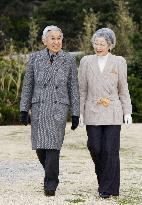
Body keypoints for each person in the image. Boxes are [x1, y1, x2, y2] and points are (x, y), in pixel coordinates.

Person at [20, 25, 80, 196]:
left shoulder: (68, 59)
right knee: (40, 148)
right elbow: (28, 85)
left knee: (53, 146)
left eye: (59, 38)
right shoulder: (34, 58)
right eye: (52, 38)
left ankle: (50, 184)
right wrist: (24, 109)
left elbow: (73, 87)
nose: (56, 41)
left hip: (58, 108)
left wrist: (75, 113)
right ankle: (51, 172)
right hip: (39, 107)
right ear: (44, 40)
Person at [79, 28, 132, 199]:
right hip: (92, 109)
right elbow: (82, 90)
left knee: (110, 150)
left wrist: (127, 112)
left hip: (113, 110)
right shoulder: (86, 61)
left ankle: (106, 188)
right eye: (96, 43)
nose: (98, 46)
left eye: (102, 44)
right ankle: (108, 183)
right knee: (94, 146)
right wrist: (79, 113)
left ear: (110, 45)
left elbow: (123, 89)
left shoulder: (119, 61)